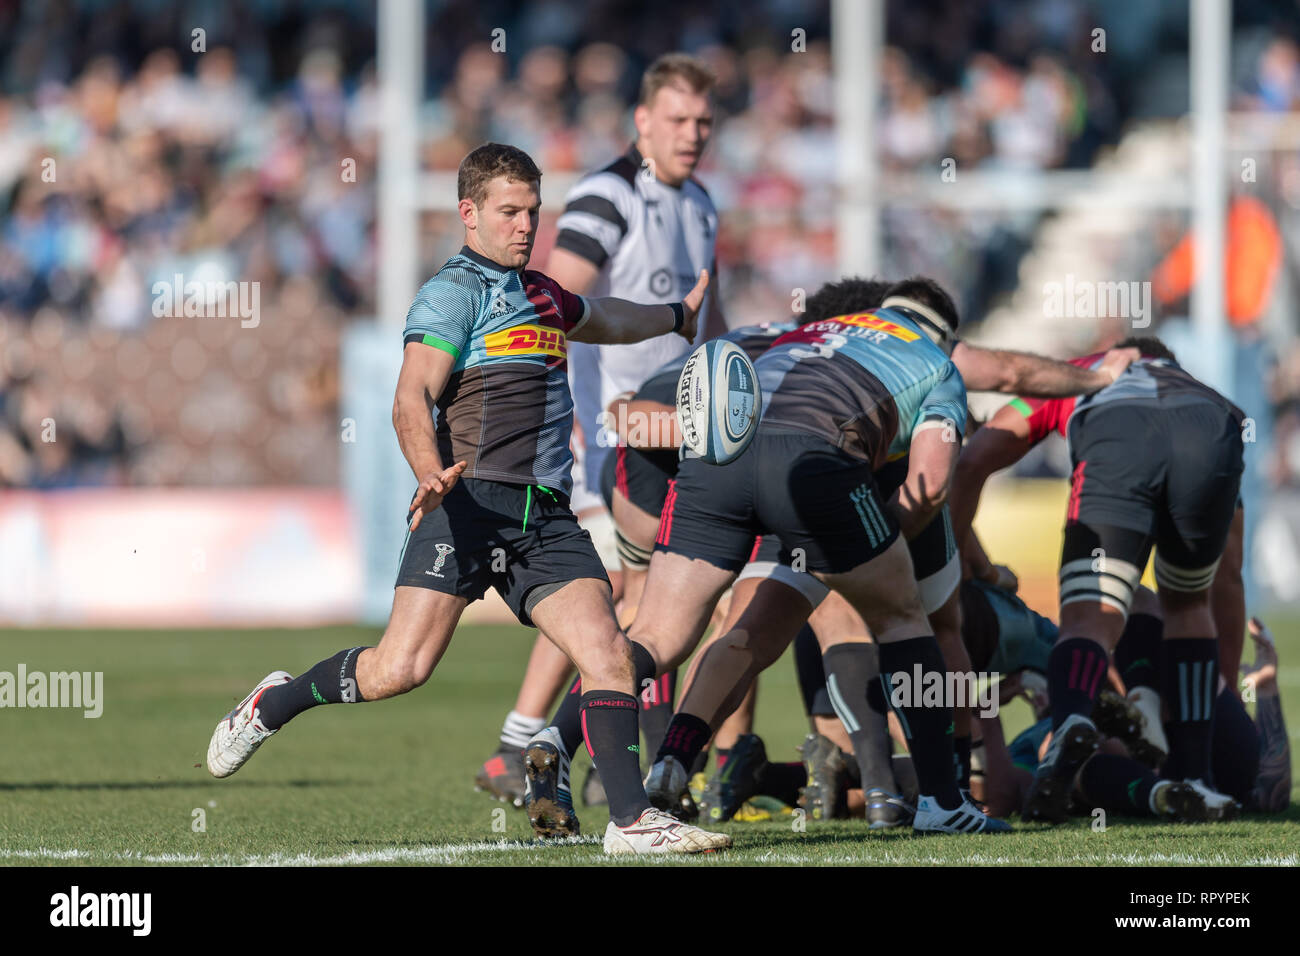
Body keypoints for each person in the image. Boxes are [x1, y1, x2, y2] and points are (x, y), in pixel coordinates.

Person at [205, 142, 730, 855]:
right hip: (466, 505)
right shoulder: (454, 293)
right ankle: (275, 701)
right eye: (509, 212)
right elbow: (409, 398)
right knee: (400, 670)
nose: (525, 225)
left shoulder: (544, 293)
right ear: (468, 213)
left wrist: (674, 315)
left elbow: (604, 317)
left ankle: (633, 822)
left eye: (533, 212)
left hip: (544, 514)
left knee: (607, 651)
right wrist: (428, 468)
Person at [474, 53, 727, 806]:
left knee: (627, 590)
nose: (693, 134)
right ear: (643, 120)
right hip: (603, 433)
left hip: (674, 429)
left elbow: (708, 317)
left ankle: (528, 746)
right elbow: (553, 301)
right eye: (678, 120)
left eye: (704, 122)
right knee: (627, 588)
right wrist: (563, 419)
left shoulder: (704, 202)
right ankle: (601, 765)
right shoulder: (607, 197)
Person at [949, 336, 1246, 823]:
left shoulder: (1085, 372)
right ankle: (1195, 776)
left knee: (1090, 619)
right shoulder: (1201, 391)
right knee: (1187, 606)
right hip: (1212, 430)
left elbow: (973, 460)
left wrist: (961, 563)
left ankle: (1070, 724)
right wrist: (1227, 689)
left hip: (1118, 430)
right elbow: (1229, 577)